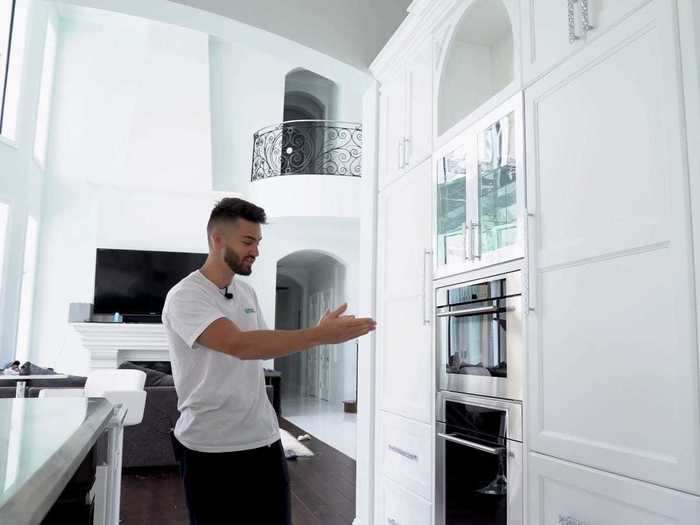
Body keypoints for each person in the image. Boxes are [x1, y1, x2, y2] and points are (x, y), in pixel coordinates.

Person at [162, 197, 376, 525]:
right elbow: (239, 344)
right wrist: (320, 335)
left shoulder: (245, 292)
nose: (256, 251)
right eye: (248, 241)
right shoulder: (186, 296)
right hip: (209, 449)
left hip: (263, 442)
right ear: (217, 240)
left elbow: (263, 348)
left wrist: (317, 332)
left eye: (258, 242)